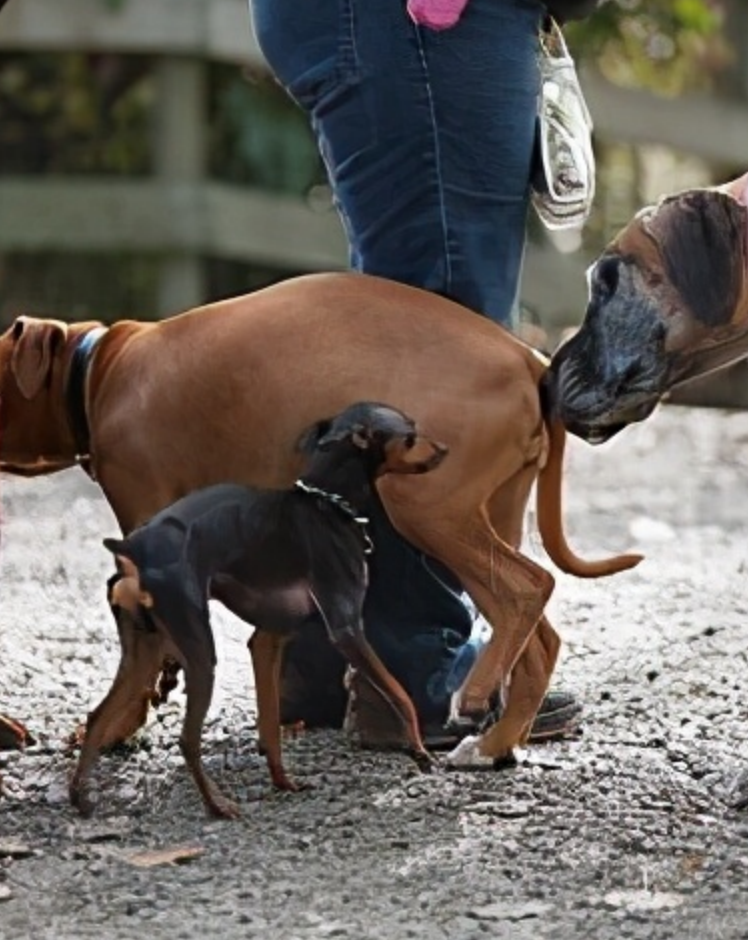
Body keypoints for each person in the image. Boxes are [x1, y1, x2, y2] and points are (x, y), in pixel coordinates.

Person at [251, 0, 599, 746]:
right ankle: (409, 666)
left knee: (396, 321)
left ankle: (324, 650)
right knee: (441, 337)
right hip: (425, 24)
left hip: (392, 26)